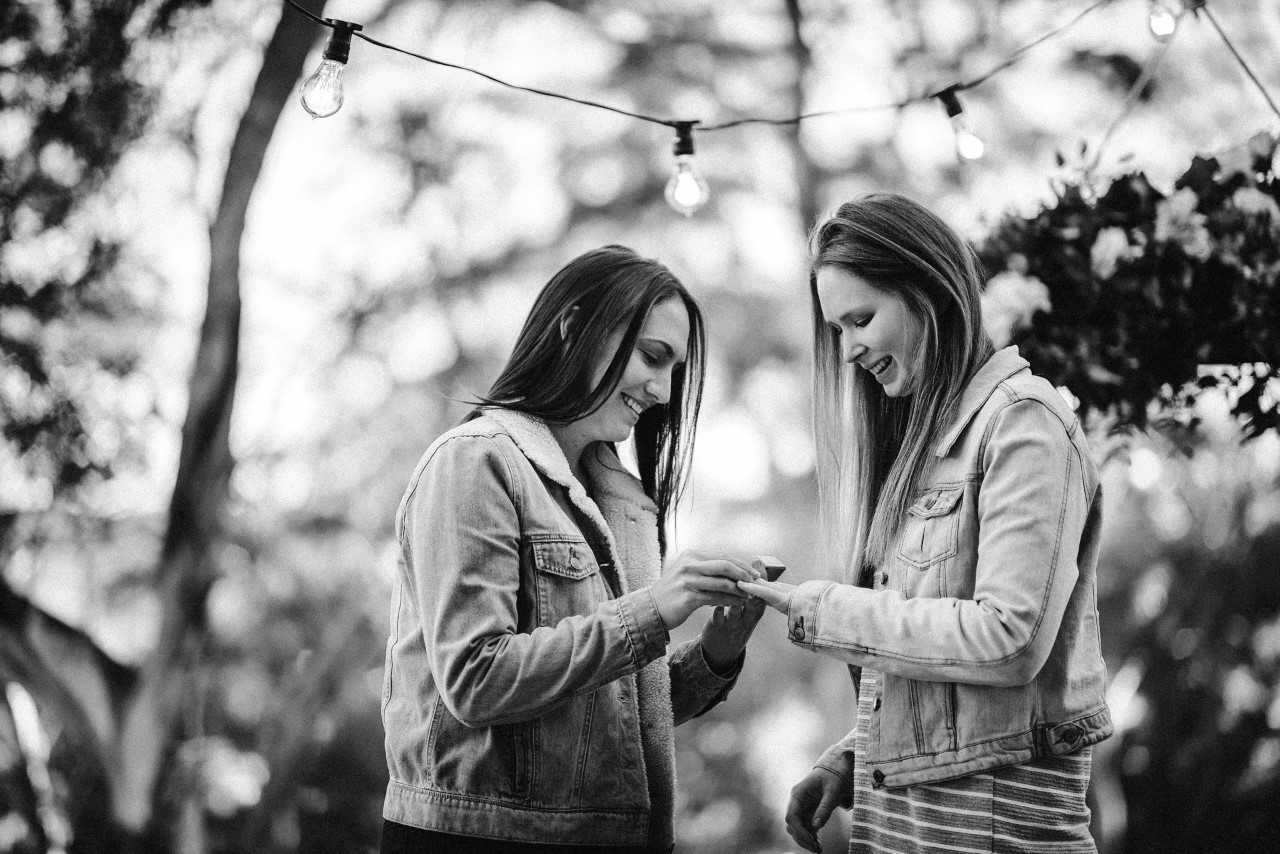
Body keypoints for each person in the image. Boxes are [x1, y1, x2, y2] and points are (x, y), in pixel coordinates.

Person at [740, 194, 1112, 854]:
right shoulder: (928, 447)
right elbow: (945, 671)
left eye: (860, 320)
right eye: (837, 330)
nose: (848, 350)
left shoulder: (1022, 423)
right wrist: (853, 757)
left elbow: (1009, 641)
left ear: (929, 293)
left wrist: (826, 610)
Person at [380, 245, 766, 853]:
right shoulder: (475, 462)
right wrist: (653, 609)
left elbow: (615, 717)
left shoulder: (620, 500)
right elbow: (476, 679)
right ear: (573, 328)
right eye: (653, 356)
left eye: (675, 369)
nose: (665, 392)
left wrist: (716, 652)